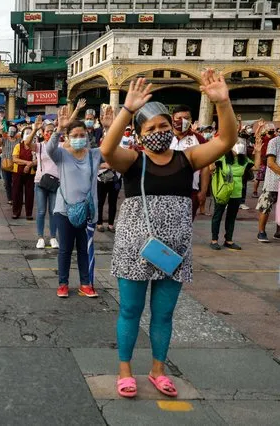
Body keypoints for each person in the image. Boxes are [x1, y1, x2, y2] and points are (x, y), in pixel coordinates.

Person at [100, 71, 237, 398]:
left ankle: (158, 370)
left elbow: (226, 141)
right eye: (152, 128)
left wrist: (223, 103)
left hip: (172, 253)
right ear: (139, 134)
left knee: (163, 313)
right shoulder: (132, 161)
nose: (160, 132)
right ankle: (124, 370)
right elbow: (107, 150)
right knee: (130, 311)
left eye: (165, 126)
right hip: (134, 251)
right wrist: (127, 110)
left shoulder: (187, 159)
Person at [46, 108, 101, 300]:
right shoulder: (61, 154)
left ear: (87, 135)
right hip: (64, 210)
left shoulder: (94, 154)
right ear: (67, 137)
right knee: (65, 249)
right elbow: (48, 149)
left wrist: (109, 129)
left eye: (82, 135)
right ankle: (63, 283)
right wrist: (58, 129)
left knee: (85, 250)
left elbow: (111, 148)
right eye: (74, 135)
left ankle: (86, 283)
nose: (79, 138)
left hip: (87, 211)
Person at [210, 139, 261, 250]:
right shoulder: (222, 158)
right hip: (222, 191)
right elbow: (211, 167)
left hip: (236, 192)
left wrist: (258, 152)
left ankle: (228, 240)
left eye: (241, 144)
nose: (239, 146)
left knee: (231, 217)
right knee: (218, 215)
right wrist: (215, 151)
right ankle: (214, 240)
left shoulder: (244, 160)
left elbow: (256, 167)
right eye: (236, 144)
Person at [169, 105, 210, 220]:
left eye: (186, 118)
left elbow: (206, 167)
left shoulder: (199, 139)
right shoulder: (164, 138)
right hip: (165, 189)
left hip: (190, 191)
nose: (182, 121)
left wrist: (203, 191)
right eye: (179, 118)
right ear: (173, 119)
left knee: (185, 226)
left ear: (191, 120)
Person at [29, 117, 59, 249]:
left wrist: (62, 128)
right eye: (47, 131)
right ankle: (40, 237)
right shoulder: (40, 146)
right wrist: (34, 129)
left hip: (55, 183)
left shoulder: (60, 145)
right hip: (41, 182)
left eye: (52, 131)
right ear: (43, 132)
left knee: (53, 211)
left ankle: (53, 237)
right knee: (41, 211)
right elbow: (27, 143)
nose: (50, 133)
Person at [256, 131, 280, 242]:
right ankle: (261, 232)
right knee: (265, 206)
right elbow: (270, 163)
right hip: (273, 181)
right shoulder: (274, 142)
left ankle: (278, 232)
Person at [12, 124, 37, 220]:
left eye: (30, 133)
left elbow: (38, 159)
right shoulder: (18, 146)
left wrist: (31, 164)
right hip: (17, 173)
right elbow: (15, 159)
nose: (29, 135)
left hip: (30, 174)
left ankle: (29, 213)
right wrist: (27, 163)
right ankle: (16, 212)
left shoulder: (34, 147)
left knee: (30, 193)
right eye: (27, 133)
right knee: (16, 193)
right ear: (22, 135)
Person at [0, 125, 19, 204]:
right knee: (7, 182)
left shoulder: (19, 141)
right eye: (10, 130)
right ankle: (10, 198)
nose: (11, 132)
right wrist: (0, 130)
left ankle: (16, 197)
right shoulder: (4, 140)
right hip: (6, 165)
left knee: (16, 183)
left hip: (16, 164)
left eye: (13, 130)